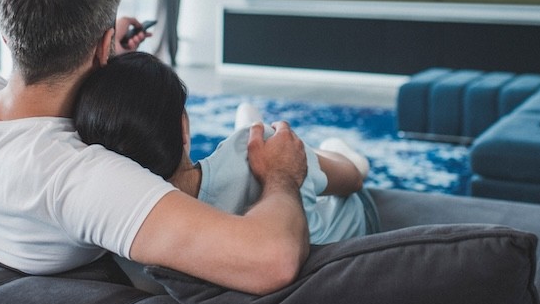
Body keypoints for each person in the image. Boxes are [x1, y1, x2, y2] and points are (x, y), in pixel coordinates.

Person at [0, 0, 312, 296]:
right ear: (104, 44)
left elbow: (36, 81)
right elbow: (271, 260)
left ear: (7, 35)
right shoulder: (80, 178)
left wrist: (106, 51)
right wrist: (280, 176)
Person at [73, 51, 379, 245]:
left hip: (247, 163)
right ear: (184, 128)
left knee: (254, 139)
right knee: (340, 157)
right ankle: (266, 133)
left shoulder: (124, 235)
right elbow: (352, 180)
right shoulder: (260, 166)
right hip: (353, 218)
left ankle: (252, 129)